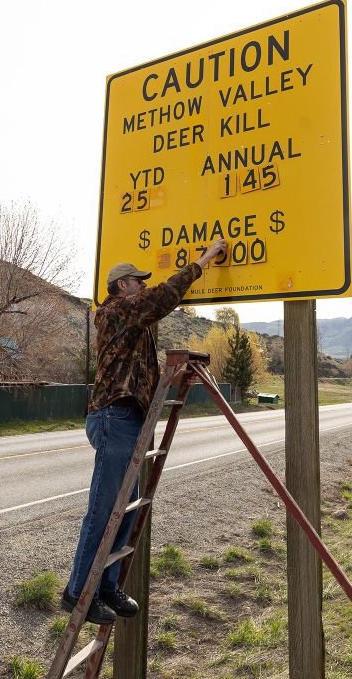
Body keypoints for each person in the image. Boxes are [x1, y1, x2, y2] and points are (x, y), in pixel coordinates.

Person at [63, 238, 228, 625]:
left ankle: (105, 586)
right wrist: (204, 260)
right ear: (124, 286)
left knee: (125, 509)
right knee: (104, 510)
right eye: (138, 281)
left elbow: (143, 369)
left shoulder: (133, 325)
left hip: (128, 418)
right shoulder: (118, 311)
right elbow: (165, 295)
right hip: (113, 417)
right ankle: (76, 592)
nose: (142, 286)